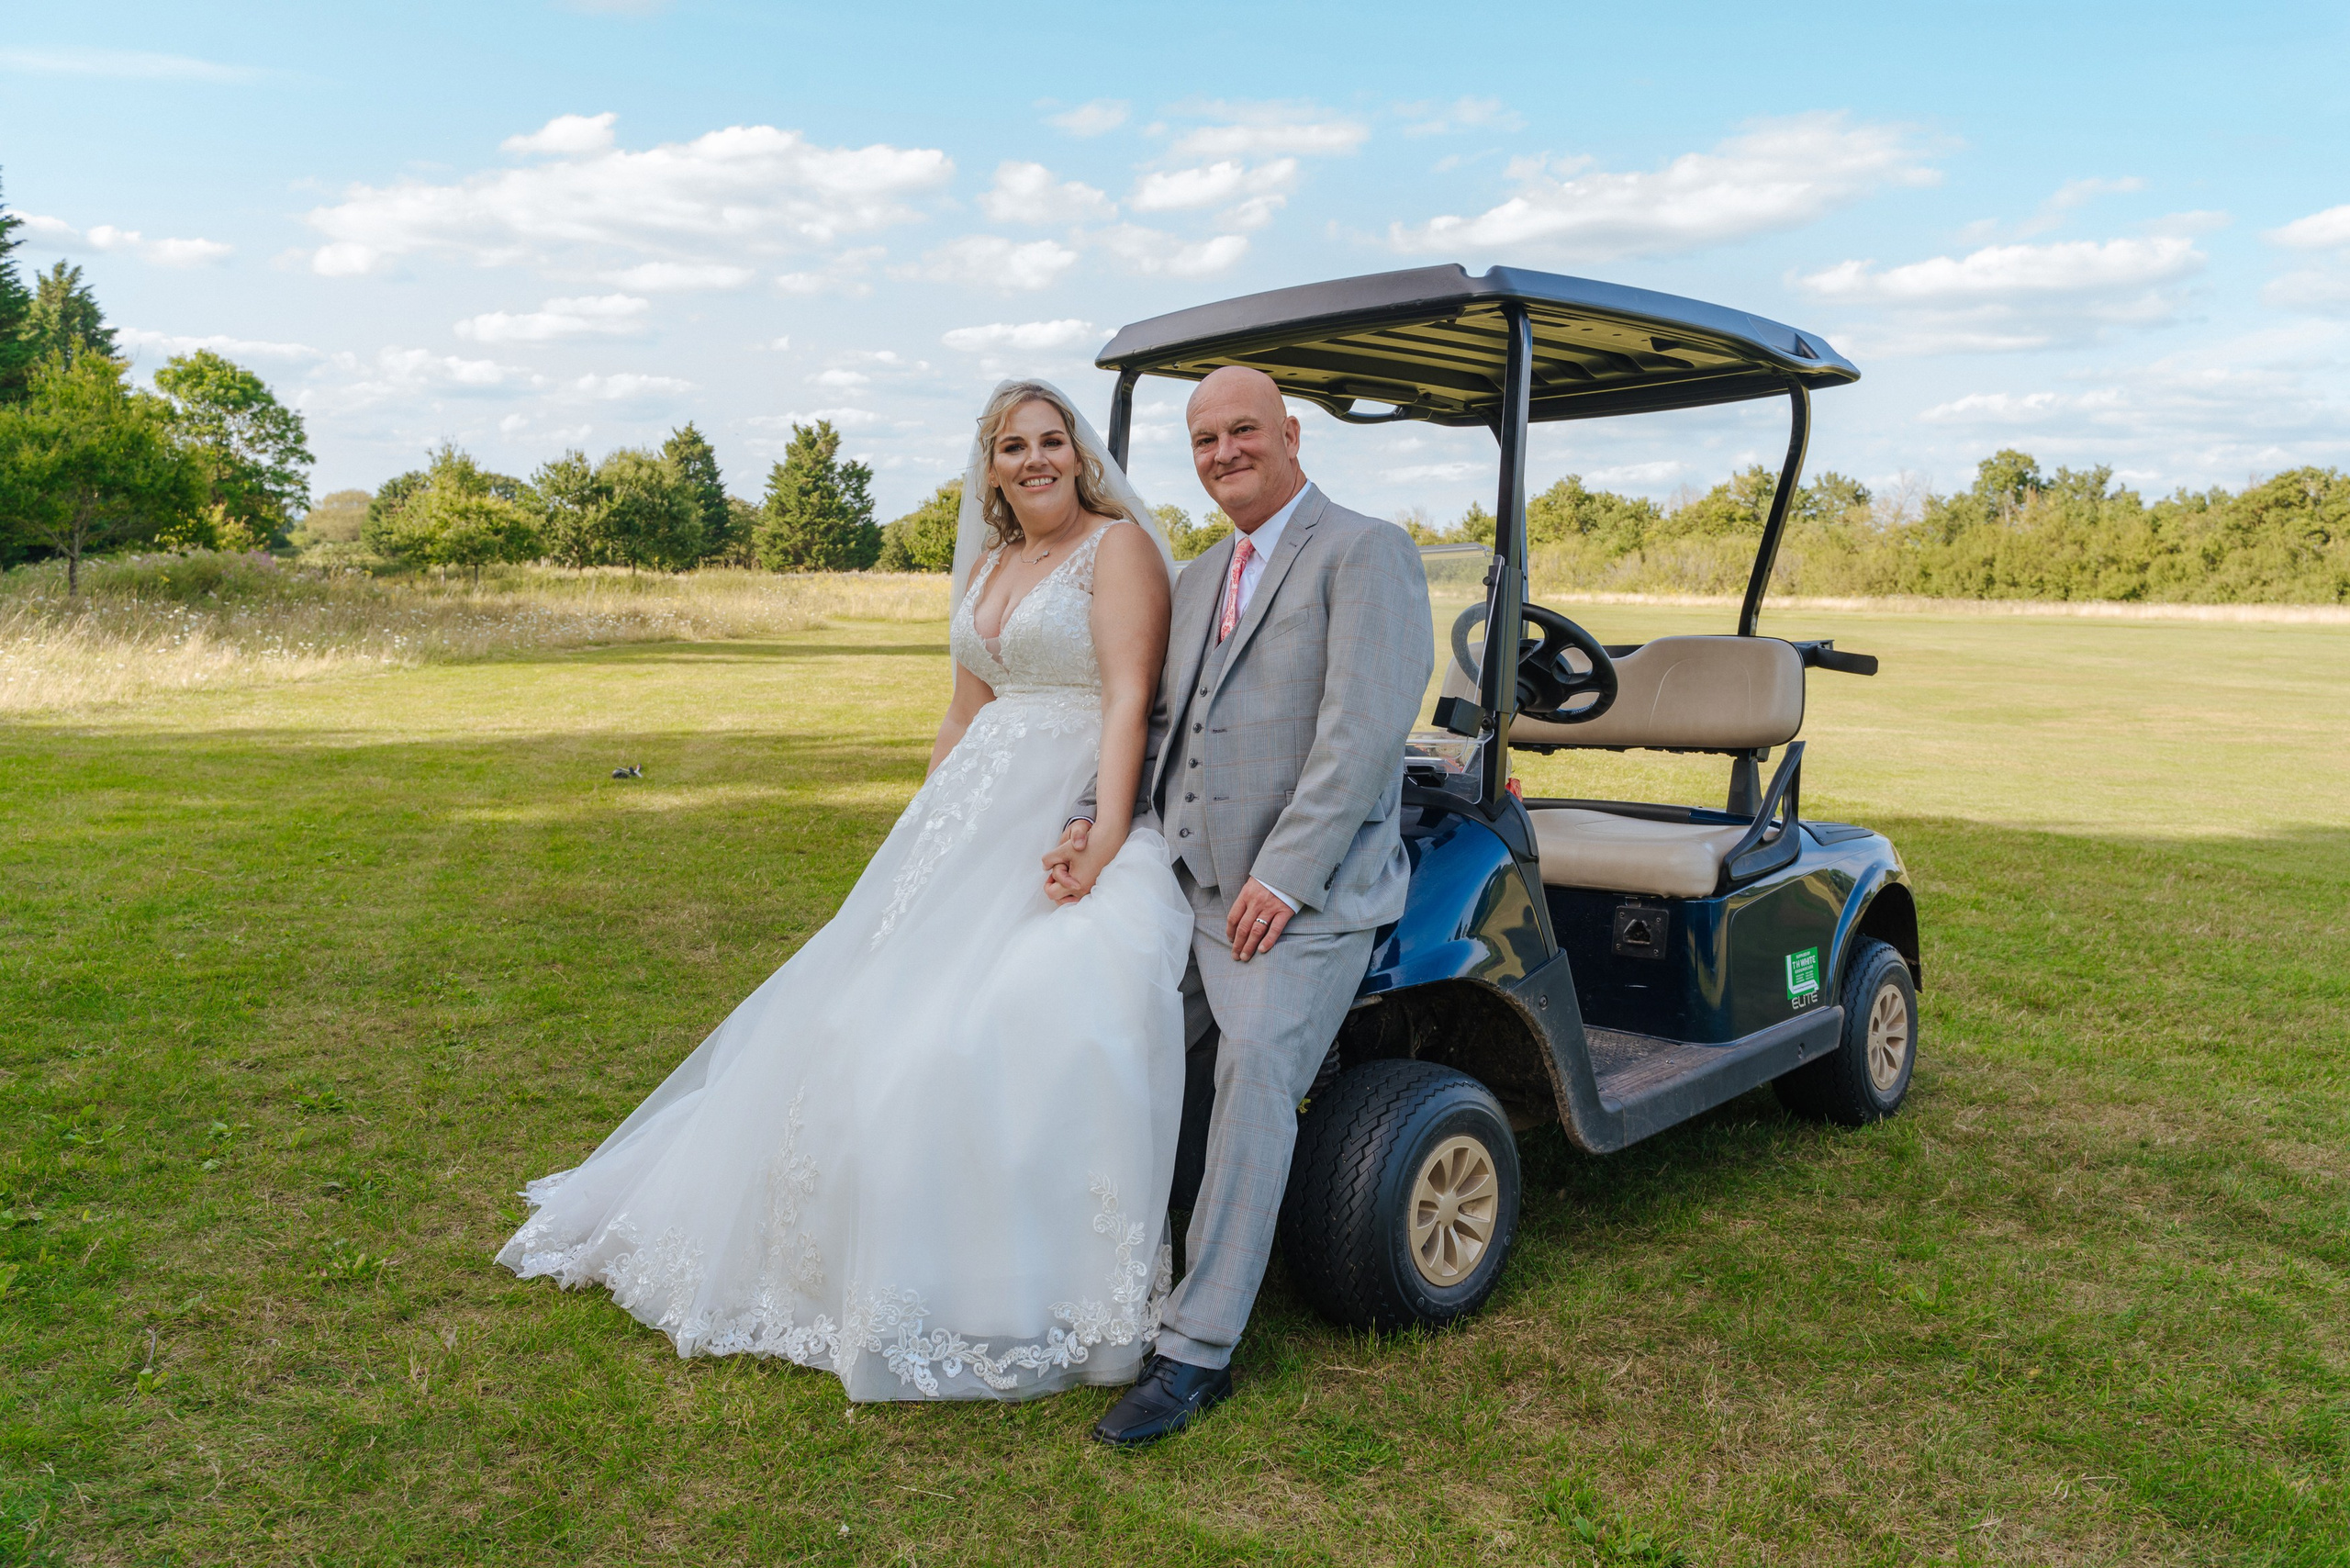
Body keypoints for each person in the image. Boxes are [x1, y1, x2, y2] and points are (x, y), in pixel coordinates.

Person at [497, 380, 1194, 1402]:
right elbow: (965, 707)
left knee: (983, 1032)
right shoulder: (996, 559)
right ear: (990, 465)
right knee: (846, 1022)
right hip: (972, 813)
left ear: (1079, 454)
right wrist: (927, 826)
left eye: (1052, 440)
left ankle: (1012, 1287)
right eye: (1014, 445)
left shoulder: (1117, 547)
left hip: (1067, 804)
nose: (1036, 459)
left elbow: (1128, 698)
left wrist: (1097, 834)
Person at [1046, 365, 1433, 1445]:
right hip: (1185, 884)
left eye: (1242, 430)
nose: (1223, 452)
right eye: (1204, 438)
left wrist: (1283, 877)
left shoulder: (1365, 551)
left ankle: (1196, 1348)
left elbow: (1359, 739)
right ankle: (1085, 1264)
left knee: (1256, 1074)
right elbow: (1159, 721)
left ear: (1291, 433)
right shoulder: (1204, 568)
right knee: (1097, 1031)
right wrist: (1090, 818)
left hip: (1296, 901)